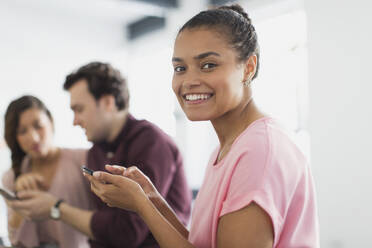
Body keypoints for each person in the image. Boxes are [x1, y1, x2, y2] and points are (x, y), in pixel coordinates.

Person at [85, 4, 320, 248]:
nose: (189, 81)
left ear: (248, 68)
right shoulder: (226, 150)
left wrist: (142, 206)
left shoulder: (260, 150)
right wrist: (152, 200)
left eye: (208, 65)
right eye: (180, 68)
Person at [9, 62, 192, 248]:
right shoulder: (96, 152)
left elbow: (128, 233)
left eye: (79, 109)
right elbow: (104, 228)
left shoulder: (152, 143)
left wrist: (56, 208)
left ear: (107, 102)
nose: (75, 121)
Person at [2, 95, 92, 248]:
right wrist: (19, 198)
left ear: (51, 122)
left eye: (38, 126)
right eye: (22, 131)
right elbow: (15, 240)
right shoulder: (11, 177)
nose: (33, 137)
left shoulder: (83, 159)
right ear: (15, 137)